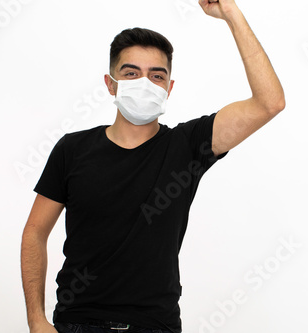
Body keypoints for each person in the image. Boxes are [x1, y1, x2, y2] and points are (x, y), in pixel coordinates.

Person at [20, 1, 285, 332]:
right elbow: (34, 232)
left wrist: (231, 13)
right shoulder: (72, 149)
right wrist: (35, 320)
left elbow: (269, 102)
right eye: (131, 73)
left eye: (156, 75)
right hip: (77, 322)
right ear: (110, 83)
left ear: (169, 88)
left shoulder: (189, 146)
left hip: (154, 325)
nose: (144, 83)